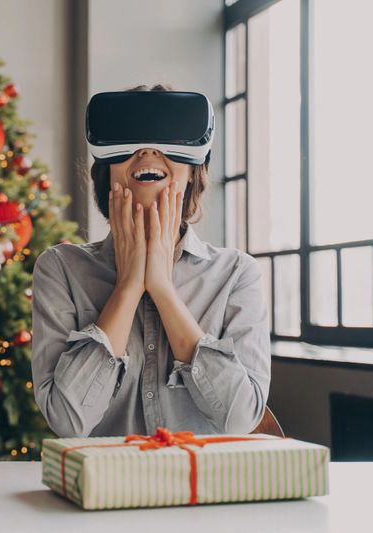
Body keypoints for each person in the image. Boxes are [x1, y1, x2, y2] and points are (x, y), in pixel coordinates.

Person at [31, 83, 271, 438]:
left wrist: (162, 288)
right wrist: (128, 286)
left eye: (166, 140)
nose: (147, 151)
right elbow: (68, 421)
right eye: (131, 142)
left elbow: (239, 420)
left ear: (194, 171)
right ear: (106, 172)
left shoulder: (236, 274)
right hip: (107, 475)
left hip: (200, 475)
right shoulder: (61, 269)